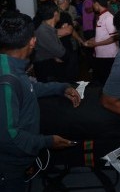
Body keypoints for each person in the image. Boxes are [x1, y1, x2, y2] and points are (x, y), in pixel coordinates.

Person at [0, 11, 81, 191]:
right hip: (10, 166)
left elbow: (29, 89)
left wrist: (61, 87)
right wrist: (47, 142)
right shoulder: (7, 79)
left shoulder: (10, 66)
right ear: (32, 41)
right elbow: (9, 137)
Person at [84, 0, 119, 86]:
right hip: (102, 55)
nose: (92, 6)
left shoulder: (108, 17)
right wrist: (93, 39)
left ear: (96, 3)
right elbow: (104, 35)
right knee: (103, 80)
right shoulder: (102, 16)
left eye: (93, 3)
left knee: (108, 81)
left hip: (108, 56)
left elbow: (114, 38)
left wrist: (96, 44)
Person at [33, 0, 68, 82]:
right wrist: (59, 56)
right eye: (59, 12)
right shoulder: (43, 30)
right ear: (55, 14)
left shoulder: (48, 28)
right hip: (46, 69)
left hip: (49, 66)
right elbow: (62, 53)